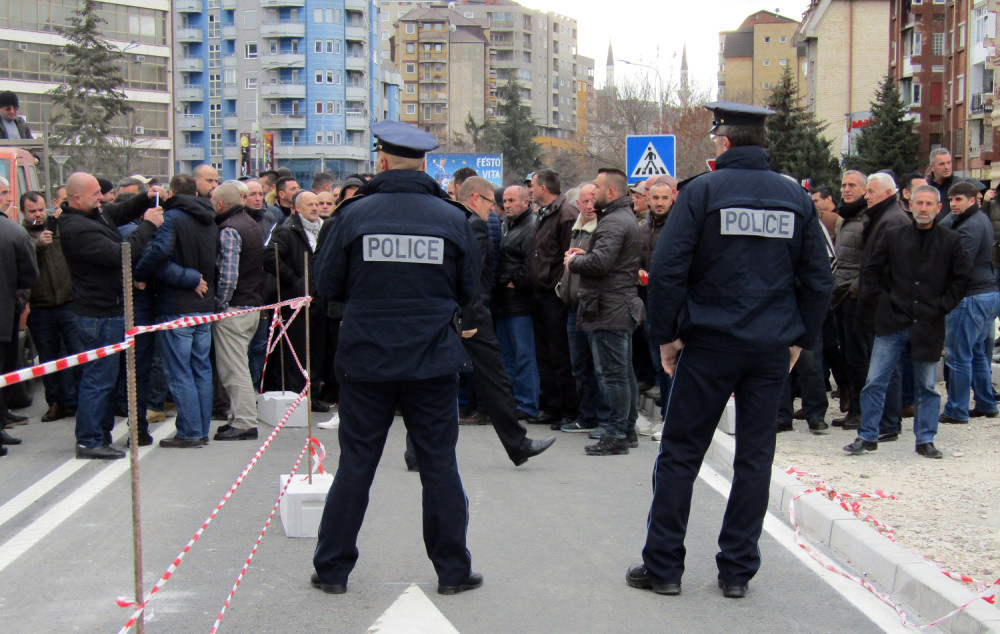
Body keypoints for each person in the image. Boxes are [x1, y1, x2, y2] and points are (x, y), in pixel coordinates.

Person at [627, 102, 832, 598]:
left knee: (679, 454)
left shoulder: (701, 193)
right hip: (768, 350)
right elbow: (819, 279)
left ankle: (664, 568)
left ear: (722, 142)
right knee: (755, 459)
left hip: (710, 344)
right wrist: (799, 339)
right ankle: (737, 571)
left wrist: (666, 336)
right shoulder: (795, 198)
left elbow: (670, 272)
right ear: (763, 145)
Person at [311, 120, 482, 595]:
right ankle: (452, 572)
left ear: (381, 162)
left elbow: (326, 289)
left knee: (356, 463)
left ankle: (332, 571)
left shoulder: (352, 216)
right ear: (424, 164)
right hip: (432, 360)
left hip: (366, 359)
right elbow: (471, 291)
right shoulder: (452, 217)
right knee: (439, 465)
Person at [844, 186, 970, 459]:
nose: (923, 208)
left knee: (926, 386)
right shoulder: (893, 236)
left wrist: (942, 306)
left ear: (938, 208)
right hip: (892, 319)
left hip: (928, 322)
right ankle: (867, 436)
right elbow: (872, 272)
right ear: (909, 205)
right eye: (918, 203)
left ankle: (925, 439)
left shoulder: (950, 240)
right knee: (875, 380)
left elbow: (961, 279)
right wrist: (880, 305)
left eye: (929, 204)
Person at [59, 172, 163, 459]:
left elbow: (116, 211)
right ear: (76, 197)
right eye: (95, 194)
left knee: (106, 377)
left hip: (109, 309)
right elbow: (122, 253)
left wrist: (145, 197)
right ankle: (90, 440)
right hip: (98, 313)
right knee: (98, 378)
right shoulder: (76, 228)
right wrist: (148, 225)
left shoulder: (93, 215)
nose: (102, 198)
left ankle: (100, 434)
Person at [565, 168, 645, 455]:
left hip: (609, 307)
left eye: (597, 187)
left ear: (610, 192)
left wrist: (573, 264)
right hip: (616, 304)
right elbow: (609, 259)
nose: (592, 192)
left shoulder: (613, 221)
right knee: (623, 372)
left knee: (613, 375)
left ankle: (616, 434)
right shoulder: (620, 218)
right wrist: (587, 256)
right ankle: (627, 430)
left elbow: (600, 264)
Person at [135, 173, 217, 448]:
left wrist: (140, 272)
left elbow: (158, 254)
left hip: (177, 306)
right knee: (201, 370)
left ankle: (190, 432)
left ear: (170, 193)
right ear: (195, 193)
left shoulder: (171, 218)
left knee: (181, 371)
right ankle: (201, 429)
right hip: (204, 306)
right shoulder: (209, 218)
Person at [939, 180, 1000, 423]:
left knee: (958, 355)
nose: (953, 204)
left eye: (959, 199)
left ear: (972, 200)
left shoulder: (969, 227)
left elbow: (958, 265)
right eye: (951, 199)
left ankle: (957, 410)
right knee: (976, 354)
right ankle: (986, 403)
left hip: (970, 297)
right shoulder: (979, 218)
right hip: (986, 294)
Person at [209, 183, 264, 441]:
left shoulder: (229, 229)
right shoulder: (250, 223)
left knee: (234, 369)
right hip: (251, 304)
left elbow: (228, 275)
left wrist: (220, 303)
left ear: (220, 204)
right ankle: (238, 417)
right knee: (238, 365)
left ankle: (243, 421)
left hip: (235, 308)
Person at [21, 191, 82, 422]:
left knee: (77, 353)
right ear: (23, 213)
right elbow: (22, 267)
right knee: (48, 358)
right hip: (41, 306)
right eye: (32, 212)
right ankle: (55, 402)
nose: (38, 215)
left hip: (68, 302)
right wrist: (37, 246)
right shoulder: (23, 235)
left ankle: (77, 400)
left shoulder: (57, 227)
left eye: (40, 210)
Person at [526, 169, 579, 428]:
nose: (530, 190)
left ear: (544, 188)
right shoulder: (544, 214)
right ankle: (551, 406)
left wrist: (554, 285)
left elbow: (567, 257)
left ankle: (568, 409)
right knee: (544, 355)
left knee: (560, 355)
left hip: (554, 296)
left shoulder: (566, 214)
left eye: (532, 185)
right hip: (539, 295)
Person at [558, 182, 610, 434]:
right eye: (585, 201)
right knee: (580, 367)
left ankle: (604, 419)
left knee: (601, 367)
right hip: (573, 307)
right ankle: (586, 416)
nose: (590, 206)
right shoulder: (576, 227)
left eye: (593, 200)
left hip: (595, 306)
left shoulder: (604, 227)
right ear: (577, 203)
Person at [493, 185, 540, 421]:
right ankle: (514, 402)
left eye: (512, 200)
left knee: (524, 356)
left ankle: (527, 404)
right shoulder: (505, 225)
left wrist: (515, 281)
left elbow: (533, 262)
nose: (507, 204)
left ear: (525, 202)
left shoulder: (531, 226)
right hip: (503, 302)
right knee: (507, 357)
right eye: (505, 200)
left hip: (520, 303)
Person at [0, 187, 37, 454]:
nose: (9, 198)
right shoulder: (12, 231)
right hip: (3, 315)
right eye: (3, 193)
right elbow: (29, 275)